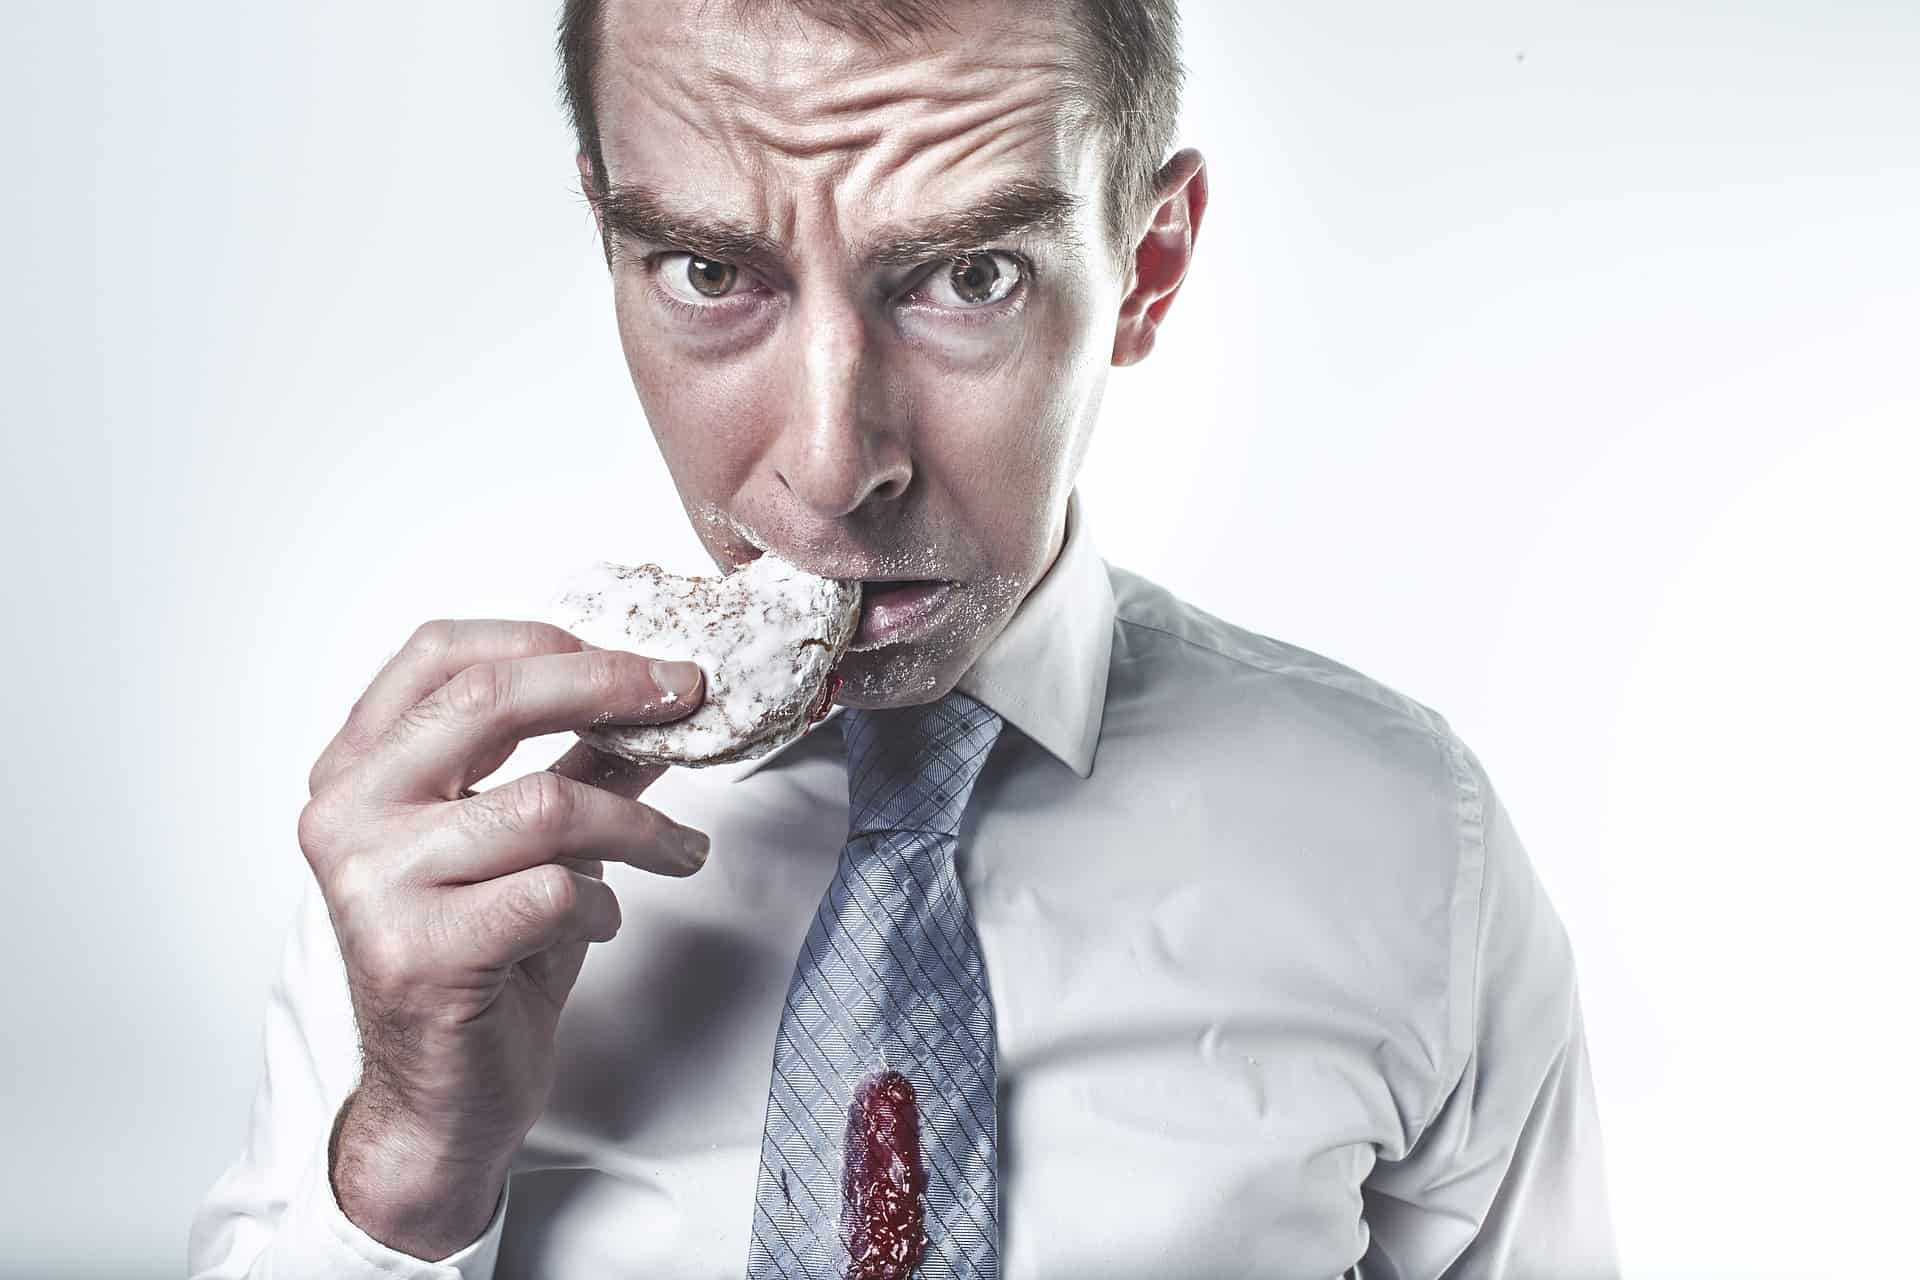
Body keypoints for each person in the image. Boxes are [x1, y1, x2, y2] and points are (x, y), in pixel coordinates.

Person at [189, 0, 1620, 1275]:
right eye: (704, 270)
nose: (831, 465)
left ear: (1150, 265)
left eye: (969, 277)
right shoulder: (450, 835)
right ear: (611, 239)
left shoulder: (1415, 848)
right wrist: (401, 1184)